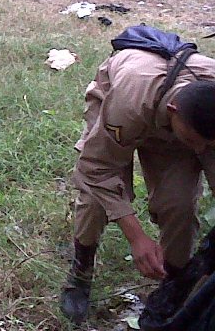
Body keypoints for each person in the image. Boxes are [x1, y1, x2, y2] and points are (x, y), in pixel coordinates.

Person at [60, 26, 215, 324]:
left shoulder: (205, 112)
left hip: (178, 124)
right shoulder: (128, 103)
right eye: (199, 141)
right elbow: (96, 168)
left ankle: (174, 282)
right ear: (173, 111)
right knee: (95, 200)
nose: (201, 149)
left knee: (179, 203)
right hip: (120, 102)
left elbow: (206, 148)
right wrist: (137, 238)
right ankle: (81, 268)